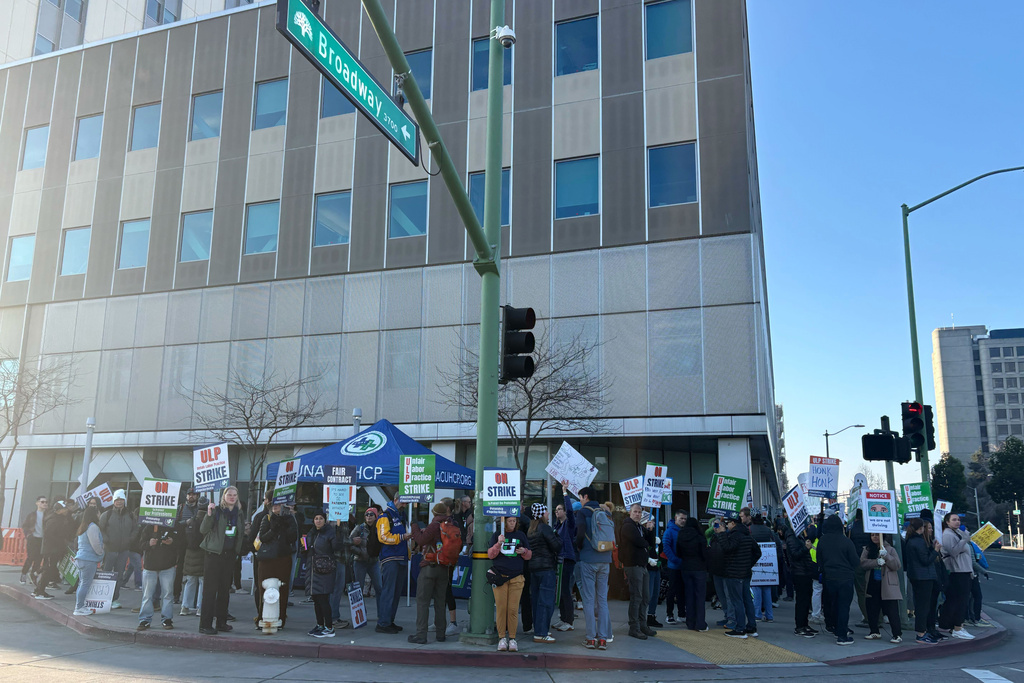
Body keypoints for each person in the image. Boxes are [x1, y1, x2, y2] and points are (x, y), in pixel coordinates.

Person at [198, 486, 245, 635]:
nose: (232, 497)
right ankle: (205, 625)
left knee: (225, 591)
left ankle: (221, 623)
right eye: (229, 494)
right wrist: (209, 513)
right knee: (210, 591)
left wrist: (237, 551)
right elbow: (203, 530)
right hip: (213, 555)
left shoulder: (239, 513)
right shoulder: (217, 510)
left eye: (234, 495)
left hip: (229, 555)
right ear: (224, 496)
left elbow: (240, 533)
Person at [407, 502, 454, 644]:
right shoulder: (451, 526)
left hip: (429, 566)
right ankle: (441, 634)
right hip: (444, 568)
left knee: (423, 602)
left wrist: (414, 525)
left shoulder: (434, 525)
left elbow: (421, 539)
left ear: (434, 513)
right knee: (440, 602)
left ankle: (421, 635)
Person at [574, 486, 613, 650]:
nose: (580, 500)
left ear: (586, 496)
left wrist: (578, 547)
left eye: (581, 497)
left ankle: (591, 639)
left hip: (588, 559)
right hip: (605, 559)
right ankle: (603, 639)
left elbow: (580, 533)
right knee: (603, 600)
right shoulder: (606, 512)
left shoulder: (583, 512)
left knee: (589, 601)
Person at [489, 515, 532, 652]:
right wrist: (498, 543)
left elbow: (529, 554)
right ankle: (502, 637)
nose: (512, 523)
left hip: (517, 577)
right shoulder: (497, 535)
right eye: (510, 521)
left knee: (513, 609)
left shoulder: (521, 535)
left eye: (514, 521)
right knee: (501, 609)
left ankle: (512, 638)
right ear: (504, 522)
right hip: (500, 576)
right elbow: (491, 554)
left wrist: (524, 551)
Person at [520, 502, 560, 643]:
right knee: (546, 602)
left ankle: (538, 629)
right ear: (542, 514)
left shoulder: (531, 530)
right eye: (546, 511)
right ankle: (541, 632)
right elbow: (556, 546)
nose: (549, 513)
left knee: (537, 601)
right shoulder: (545, 528)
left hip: (533, 569)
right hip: (546, 568)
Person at [816, 513, 858, 646]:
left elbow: (819, 560)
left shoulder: (822, 540)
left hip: (829, 578)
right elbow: (855, 561)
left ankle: (833, 627)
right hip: (845, 578)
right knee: (844, 606)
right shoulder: (846, 541)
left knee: (833, 605)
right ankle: (842, 635)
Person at [255, 498, 297, 629]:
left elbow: (293, 538)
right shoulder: (266, 518)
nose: (275, 506)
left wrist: (289, 523)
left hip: (283, 558)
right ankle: (262, 617)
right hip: (267, 559)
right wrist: (274, 527)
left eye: (278, 504)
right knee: (264, 589)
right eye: (273, 504)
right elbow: (263, 537)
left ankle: (280, 618)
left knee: (283, 590)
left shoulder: (289, 519)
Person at [718, 513, 760, 638]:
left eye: (728, 523)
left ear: (733, 523)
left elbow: (727, 548)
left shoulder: (735, 536)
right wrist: (748, 564)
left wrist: (721, 534)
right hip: (745, 573)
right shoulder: (747, 535)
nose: (727, 526)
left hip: (734, 573)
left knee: (737, 601)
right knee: (747, 600)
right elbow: (757, 552)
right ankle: (751, 627)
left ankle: (740, 628)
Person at [375, 493, 412, 634]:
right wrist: (402, 537)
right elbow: (383, 537)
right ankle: (383, 623)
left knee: (396, 593)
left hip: (401, 557)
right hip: (390, 558)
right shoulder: (385, 516)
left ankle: (389, 621)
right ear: (396, 500)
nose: (405, 505)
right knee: (389, 592)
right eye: (403, 502)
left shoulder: (400, 516)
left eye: (406, 503)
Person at [620, 503, 657, 640]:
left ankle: (642, 624)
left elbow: (650, 542)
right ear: (630, 513)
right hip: (633, 565)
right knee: (637, 597)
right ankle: (634, 627)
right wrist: (646, 541)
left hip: (642, 565)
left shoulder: (639, 527)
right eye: (635, 512)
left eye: (639, 512)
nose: (637, 514)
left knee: (645, 597)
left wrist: (651, 530)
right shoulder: (628, 526)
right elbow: (640, 542)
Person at [859, 532, 902, 643]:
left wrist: (886, 556)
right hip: (873, 582)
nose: (874, 537)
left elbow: (897, 565)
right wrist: (876, 562)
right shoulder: (868, 549)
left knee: (892, 610)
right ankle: (874, 631)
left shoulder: (890, 549)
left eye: (877, 535)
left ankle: (897, 634)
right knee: (872, 608)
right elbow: (863, 563)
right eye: (872, 535)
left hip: (887, 584)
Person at [304, 510, 341, 637]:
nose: (318, 521)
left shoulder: (330, 532)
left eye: (320, 518)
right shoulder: (312, 532)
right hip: (313, 570)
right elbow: (307, 548)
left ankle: (329, 627)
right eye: (316, 518)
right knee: (316, 599)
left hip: (325, 570)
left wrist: (338, 531)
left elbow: (336, 547)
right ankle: (320, 625)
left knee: (323, 599)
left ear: (325, 520)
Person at [136, 522, 179, 631]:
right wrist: (148, 544)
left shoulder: (173, 526)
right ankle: (145, 620)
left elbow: (182, 543)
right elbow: (140, 545)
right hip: (150, 566)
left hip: (167, 565)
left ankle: (167, 619)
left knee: (167, 594)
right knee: (147, 595)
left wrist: (172, 542)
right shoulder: (148, 527)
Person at [904, 517, 940, 644]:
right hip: (924, 576)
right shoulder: (918, 542)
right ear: (921, 528)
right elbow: (925, 560)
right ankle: (921, 633)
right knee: (923, 606)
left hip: (916, 575)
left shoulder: (910, 540)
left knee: (921, 605)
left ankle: (922, 632)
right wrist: (935, 551)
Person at [99, 489, 136, 609]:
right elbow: (100, 529)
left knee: (119, 575)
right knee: (106, 574)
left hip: (124, 550)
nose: (119, 502)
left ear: (124, 501)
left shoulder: (131, 515)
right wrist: (106, 540)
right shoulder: (107, 514)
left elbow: (136, 529)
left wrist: (130, 539)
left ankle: (114, 599)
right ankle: (103, 598)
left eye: (121, 500)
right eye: (117, 500)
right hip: (110, 549)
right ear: (113, 501)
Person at [940, 512, 975, 640]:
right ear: (947, 522)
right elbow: (953, 551)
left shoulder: (957, 533)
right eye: (954, 520)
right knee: (960, 600)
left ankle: (953, 624)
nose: (957, 522)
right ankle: (957, 627)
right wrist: (965, 540)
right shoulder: (948, 535)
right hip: (957, 571)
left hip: (964, 570)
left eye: (958, 519)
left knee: (958, 600)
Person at [32, 499, 73, 599]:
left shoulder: (58, 518)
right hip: (51, 550)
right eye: (65, 508)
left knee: (48, 569)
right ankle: (40, 592)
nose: (67, 510)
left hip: (53, 549)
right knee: (48, 570)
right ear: (59, 510)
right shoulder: (54, 520)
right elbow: (49, 535)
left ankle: (38, 590)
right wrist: (61, 543)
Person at [784, 521, 818, 637]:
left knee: (806, 600)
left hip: (805, 571)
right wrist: (805, 548)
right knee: (802, 600)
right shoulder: (791, 537)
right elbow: (795, 554)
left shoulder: (799, 536)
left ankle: (804, 624)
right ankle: (800, 626)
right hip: (799, 572)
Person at [677, 515, 709, 632]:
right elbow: (704, 554)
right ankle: (700, 623)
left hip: (686, 567)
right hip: (699, 568)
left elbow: (678, 553)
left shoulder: (681, 535)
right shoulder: (700, 537)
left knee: (689, 596)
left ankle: (690, 622)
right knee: (700, 597)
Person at [552, 490, 578, 632]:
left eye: (560, 509)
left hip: (567, 559)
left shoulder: (569, 524)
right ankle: (563, 618)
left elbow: (569, 510)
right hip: (560, 560)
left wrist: (565, 494)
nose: (557, 511)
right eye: (556, 510)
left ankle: (569, 620)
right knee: (561, 590)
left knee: (566, 590)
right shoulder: (557, 526)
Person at [246, 489, 275, 615]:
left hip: (262, 555)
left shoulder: (260, 516)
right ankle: (268, 612)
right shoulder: (263, 516)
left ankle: (262, 612)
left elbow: (252, 537)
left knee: (261, 585)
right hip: (267, 555)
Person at [73, 504, 104, 616]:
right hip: (88, 559)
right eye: (98, 512)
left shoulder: (84, 526)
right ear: (94, 514)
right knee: (85, 584)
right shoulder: (93, 527)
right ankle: (79, 607)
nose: (100, 514)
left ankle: (79, 606)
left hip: (81, 558)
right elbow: (95, 544)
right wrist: (101, 553)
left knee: (82, 583)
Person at [748, 514, 779, 623]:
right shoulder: (767, 530)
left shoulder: (750, 530)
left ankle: (757, 614)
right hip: (769, 563)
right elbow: (775, 542)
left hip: (755, 562)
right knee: (767, 591)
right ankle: (769, 615)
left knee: (756, 590)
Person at [350, 507, 382, 612]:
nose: (369, 517)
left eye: (371, 515)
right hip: (360, 561)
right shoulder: (360, 528)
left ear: (376, 517)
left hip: (373, 561)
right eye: (367, 515)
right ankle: (360, 614)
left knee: (379, 587)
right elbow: (349, 542)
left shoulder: (379, 528)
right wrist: (359, 552)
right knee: (359, 588)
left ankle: (382, 613)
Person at [174, 488, 201, 603]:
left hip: (196, 542)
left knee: (196, 571)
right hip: (182, 541)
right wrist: (186, 523)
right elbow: (174, 524)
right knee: (179, 569)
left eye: (194, 494)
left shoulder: (201, 508)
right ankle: (176, 594)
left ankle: (194, 598)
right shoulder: (180, 508)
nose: (191, 496)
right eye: (189, 494)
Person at [847, 510, 872, 628]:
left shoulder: (851, 528)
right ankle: (879, 616)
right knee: (873, 589)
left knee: (861, 591)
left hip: (857, 561)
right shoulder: (870, 525)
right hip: (871, 560)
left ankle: (867, 617)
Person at [180, 502, 206, 617]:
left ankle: (185, 607)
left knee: (190, 581)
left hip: (190, 553)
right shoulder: (207, 520)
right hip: (203, 553)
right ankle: (200, 607)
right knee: (202, 581)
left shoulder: (191, 521)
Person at [661, 510, 686, 625]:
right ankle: (669, 615)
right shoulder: (669, 531)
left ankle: (682, 614)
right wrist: (674, 559)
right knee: (672, 591)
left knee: (682, 591)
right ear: (675, 518)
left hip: (683, 566)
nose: (683, 521)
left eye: (685, 519)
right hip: (673, 566)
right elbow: (666, 547)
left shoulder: (685, 531)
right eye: (681, 518)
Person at [20, 495, 48, 585]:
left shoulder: (47, 515)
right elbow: (25, 526)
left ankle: (33, 576)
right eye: (42, 502)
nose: (44, 504)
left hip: (42, 540)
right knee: (31, 557)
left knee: (39, 559)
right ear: (37, 503)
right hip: (33, 539)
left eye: (46, 502)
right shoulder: (32, 515)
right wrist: (28, 535)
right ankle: (24, 574)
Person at [641, 511, 661, 628]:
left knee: (655, 593)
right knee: (648, 593)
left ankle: (651, 615)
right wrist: (648, 559)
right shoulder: (642, 533)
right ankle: (643, 616)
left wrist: (659, 545)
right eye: (651, 521)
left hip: (656, 566)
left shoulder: (653, 533)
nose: (653, 523)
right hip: (648, 566)